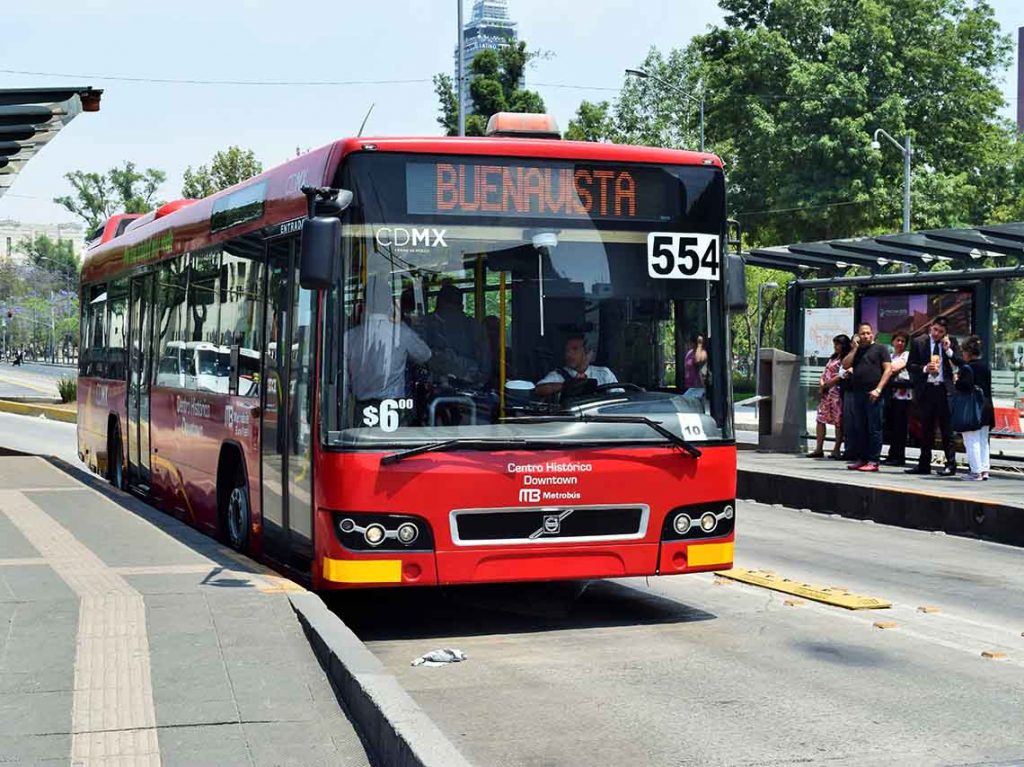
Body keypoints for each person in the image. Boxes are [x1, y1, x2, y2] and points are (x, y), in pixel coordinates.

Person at [344, 275, 432, 410]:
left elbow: (344, 382)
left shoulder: (349, 337)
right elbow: (425, 355)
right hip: (394, 410)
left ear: (365, 306)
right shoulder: (401, 332)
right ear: (389, 304)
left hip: (360, 409)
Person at [906, 317, 959, 476]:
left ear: (946, 333)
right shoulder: (918, 342)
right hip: (926, 389)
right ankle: (924, 464)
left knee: (946, 429)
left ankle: (950, 464)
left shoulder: (950, 342)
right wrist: (924, 369)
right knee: (926, 428)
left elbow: (960, 362)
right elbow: (910, 366)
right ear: (931, 327)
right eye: (935, 330)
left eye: (941, 332)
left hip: (944, 389)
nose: (937, 334)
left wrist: (949, 350)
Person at [841, 322, 893, 472]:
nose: (866, 336)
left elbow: (888, 370)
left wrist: (878, 389)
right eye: (862, 333)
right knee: (860, 427)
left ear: (872, 334)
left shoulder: (880, 349)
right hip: (858, 393)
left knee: (874, 427)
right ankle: (862, 458)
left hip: (874, 394)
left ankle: (873, 460)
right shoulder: (857, 351)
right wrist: (855, 349)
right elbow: (845, 365)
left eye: (868, 333)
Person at [422, 282, 490, 386]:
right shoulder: (473, 325)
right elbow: (485, 361)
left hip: (432, 386)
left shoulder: (425, 324)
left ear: (438, 303)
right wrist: (480, 382)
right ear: (461, 305)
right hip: (470, 385)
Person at [954, 335, 995, 481]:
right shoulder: (985, 366)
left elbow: (964, 386)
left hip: (972, 409)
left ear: (967, 352)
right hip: (986, 407)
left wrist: (956, 381)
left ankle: (975, 471)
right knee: (983, 439)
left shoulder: (967, 368)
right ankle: (984, 470)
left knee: (971, 439)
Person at [808, 334, 851, 459]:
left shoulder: (845, 359)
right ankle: (818, 448)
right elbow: (824, 372)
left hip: (836, 393)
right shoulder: (833, 358)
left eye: (838, 344)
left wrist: (828, 384)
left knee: (838, 421)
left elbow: (842, 375)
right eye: (835, 344)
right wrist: (822, 384)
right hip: (826, 393)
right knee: (820, 419)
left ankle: (836, 449)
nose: (836, 347)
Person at [535, 334, 618, 398]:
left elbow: (620, 398)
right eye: (567, 350)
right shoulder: (557, 375)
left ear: (588, 353)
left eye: (575, 349)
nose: (569, 354)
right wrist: (567, 386)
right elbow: (539, 390)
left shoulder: (604, 374)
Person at [884, 330, 912, 465]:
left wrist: (884, 369)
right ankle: (891, 454)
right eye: (897, 340)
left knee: (900, 427)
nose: (900, 343)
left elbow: (893, 369)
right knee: (891, 426)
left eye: (903, 341)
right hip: (890, 395)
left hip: (903, 397)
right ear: (892, 341)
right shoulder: (889, 355)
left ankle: (899, 456)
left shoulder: (906, 355)